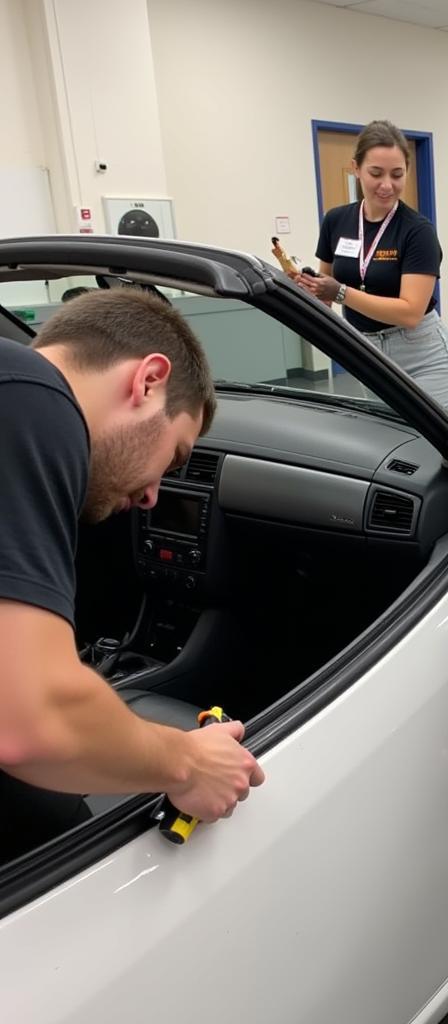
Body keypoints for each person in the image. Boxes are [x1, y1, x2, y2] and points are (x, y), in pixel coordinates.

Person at [0, 289, 265, 864]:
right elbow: (33, 720)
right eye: (174, 458)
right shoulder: (33, 401)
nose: (152, 497)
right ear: (148, 382)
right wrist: (190, 763)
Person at [297, 120, 448, 409]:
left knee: (425, 446)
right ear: (356, 168)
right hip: (368, 352)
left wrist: (340, 292)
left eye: (397, 174)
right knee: (390, 440)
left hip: (420, 354)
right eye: (376, 173)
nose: (387, 185)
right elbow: (326, 295)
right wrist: (310, 289)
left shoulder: (417, 231)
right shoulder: (336, 221)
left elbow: (410, 312)